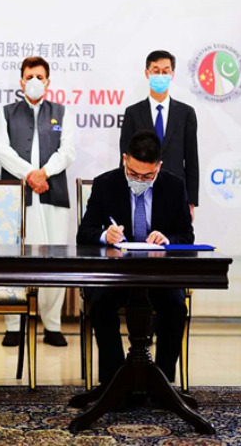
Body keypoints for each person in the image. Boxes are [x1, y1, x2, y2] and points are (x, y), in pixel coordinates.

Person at [77, 131, 194, 386]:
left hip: (159, 276)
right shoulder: (105, 184)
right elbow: (84, 233)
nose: (139, 180)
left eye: (147, 176)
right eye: (133, 173)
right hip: (116, 275)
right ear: (124, 160)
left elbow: (187, 234)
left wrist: (167, 239)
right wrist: (104, 235)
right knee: (100, 305)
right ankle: (115, 382)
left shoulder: (174, 186)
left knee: (176, 307)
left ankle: (161, 382)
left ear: (158, 167)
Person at [0, 56, 76, 347]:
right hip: (17, 196)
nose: (34, 81)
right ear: (21, 81)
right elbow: (2, 151)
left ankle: (52, 325)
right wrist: (30, 174)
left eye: (40, 77)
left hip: (53, 193)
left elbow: (67, 151)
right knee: (15, 258)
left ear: (48, 81)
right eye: (29, 76)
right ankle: (14, 325)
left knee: (55, 259)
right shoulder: (6, 113)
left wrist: (45, 173)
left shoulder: (62, 113)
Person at [119, 50, 199, 220]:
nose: (160, 76)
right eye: (156, 71)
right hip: (140, 190)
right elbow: (125, 157)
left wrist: (191, 201)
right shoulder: (133, 113)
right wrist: (122, 196)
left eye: (165, 71)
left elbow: (192, 160)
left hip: (175, 192)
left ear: (172, 75)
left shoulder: (186, 113)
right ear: (147, 73)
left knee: (173, 235)